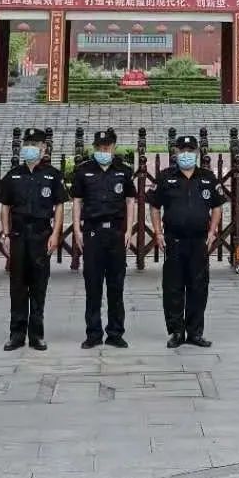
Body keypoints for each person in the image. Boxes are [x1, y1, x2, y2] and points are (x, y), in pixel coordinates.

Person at [148, 135, 224, 349]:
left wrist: (212, 231)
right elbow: (154, 207)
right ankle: (176, 332)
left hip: (199, 241)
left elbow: (217, 206)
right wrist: (158, 233)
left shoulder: (207, 177)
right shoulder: (165, 177)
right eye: (182, 151)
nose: (186, 155)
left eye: (190, 151)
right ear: (176, 153)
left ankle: (195, 332)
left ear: (197, 153)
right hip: (174, 240)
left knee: (198, 287)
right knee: (173, 287)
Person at [0, 127, 66, 351]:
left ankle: (36, 335)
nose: (30, 148)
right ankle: (16, 335)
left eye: (35, 145)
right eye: (27, 144)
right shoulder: (13, 175)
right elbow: (4, 206)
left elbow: (59, 206)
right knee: (17, 286)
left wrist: (55, 234)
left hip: (41, 235)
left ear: (44, 148)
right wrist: (5, 233)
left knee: (38, 286)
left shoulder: (52, 175)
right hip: (18, 235)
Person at [71, 128, 136, 349]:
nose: (103, 150)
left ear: (114, 147)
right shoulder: (84, 171)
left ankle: (115, 333)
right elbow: (77, 201)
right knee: (93, 285)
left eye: (106, 147)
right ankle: (93, 333)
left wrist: (129, 230)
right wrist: (77, 230)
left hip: (116, 233)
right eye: (99, 147)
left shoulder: (123, 171)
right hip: (92, 232)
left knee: (116, 285)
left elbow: (130, 201)